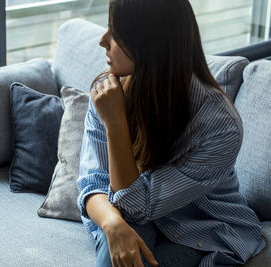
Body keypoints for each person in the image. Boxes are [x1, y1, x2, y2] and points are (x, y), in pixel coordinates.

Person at [76, 0, 266, 266]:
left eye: (116, 32)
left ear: (150, 43)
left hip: (198, 227)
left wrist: (116, 124)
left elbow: (135, 205)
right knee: (118, 239)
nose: (103, 40)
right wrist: (111, 223)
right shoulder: (109, 93)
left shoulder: (219, 125)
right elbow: (93, 183)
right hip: (130, 215)